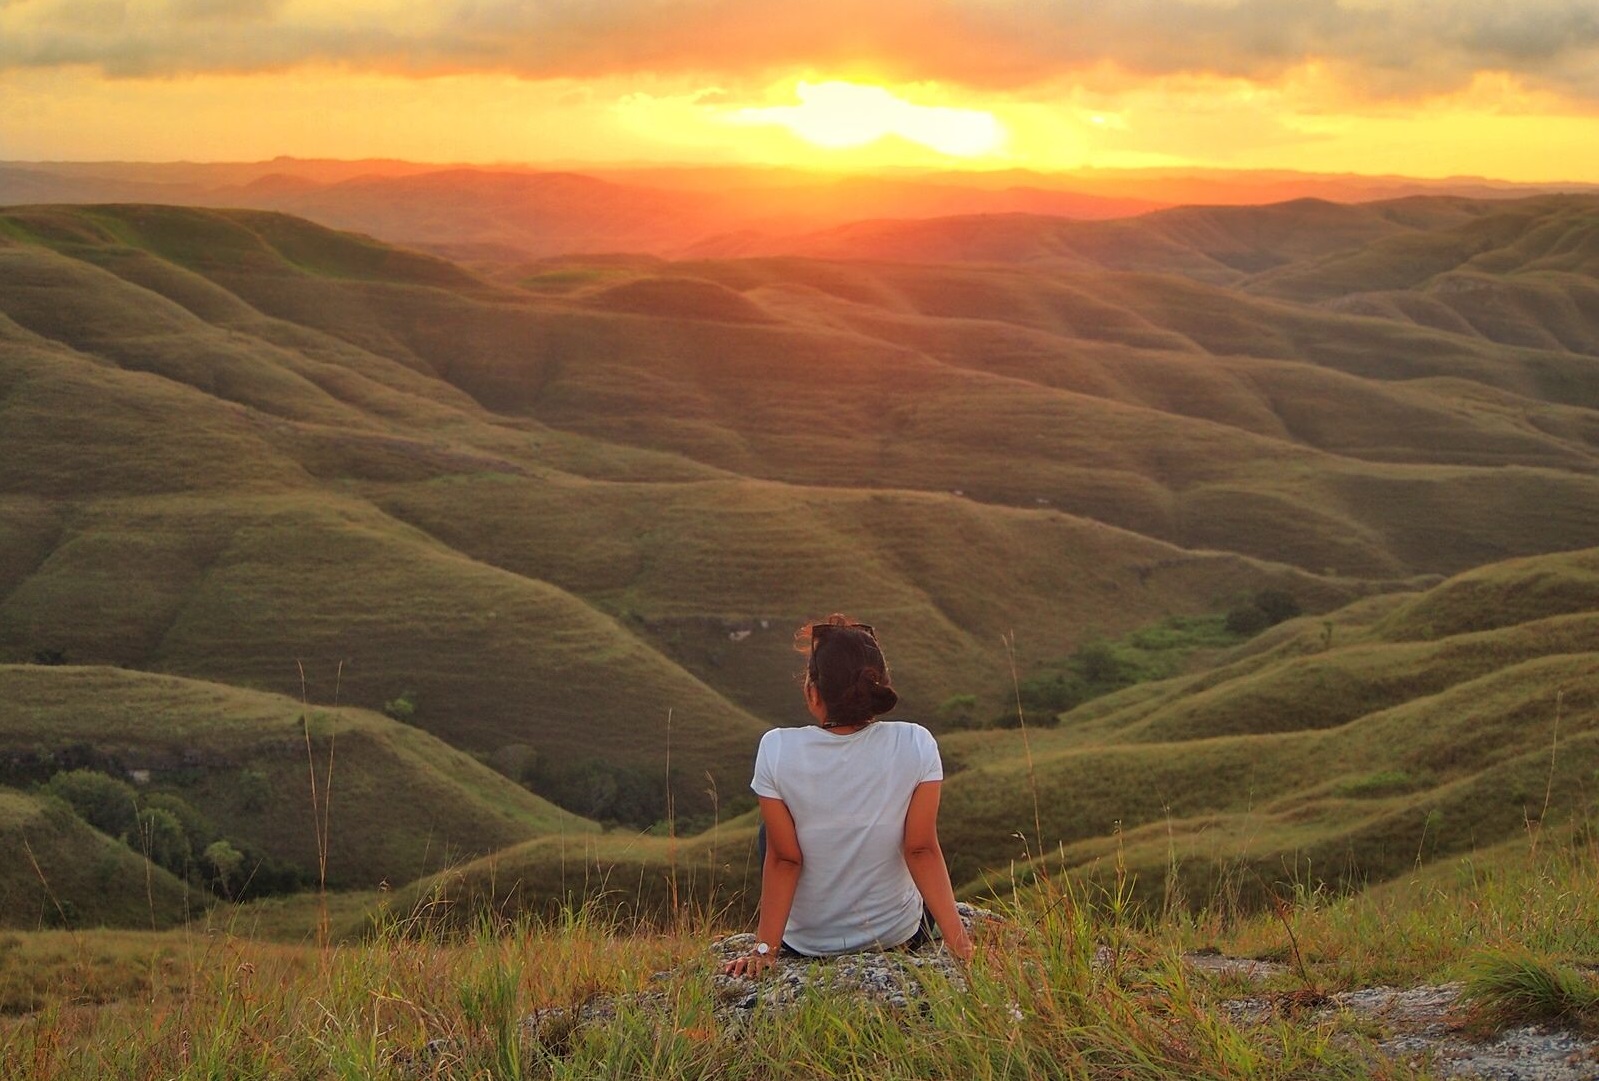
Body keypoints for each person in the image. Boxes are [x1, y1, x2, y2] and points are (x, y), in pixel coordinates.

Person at [723, 615, 974, 977]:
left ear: (813, 691)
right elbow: (920, 849)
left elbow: (785, 860)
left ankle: (791, 937)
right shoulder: (915, 742)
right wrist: (960, 944)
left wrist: (764, 952)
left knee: (774, 834)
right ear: (877, 686)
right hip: (896, 935)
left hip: (808, 944)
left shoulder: (777, 748)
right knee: (907, 824)